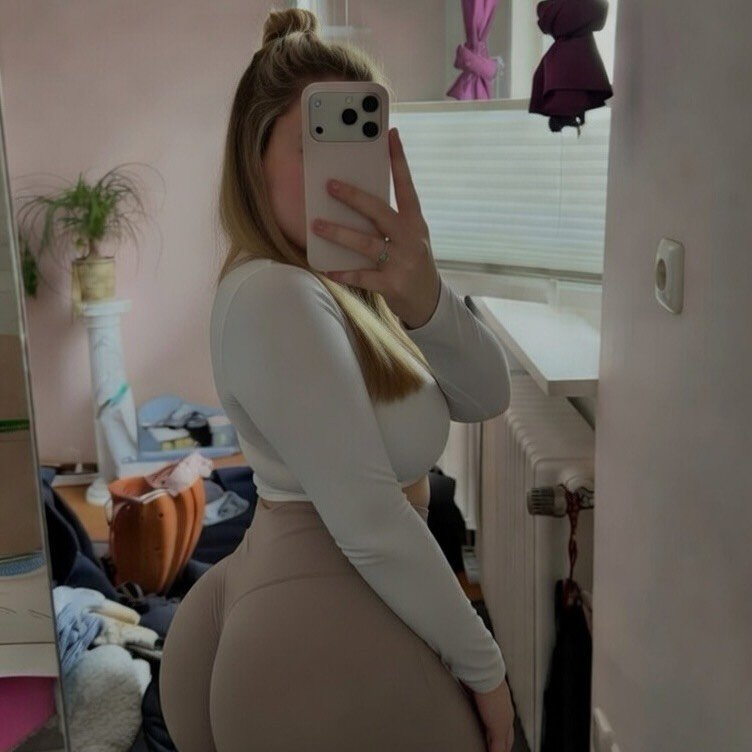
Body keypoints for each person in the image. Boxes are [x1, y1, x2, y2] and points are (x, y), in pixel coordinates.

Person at [159, 7, 516, 752]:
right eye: (315, 145)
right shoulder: (274, 294)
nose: (348, 172)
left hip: (329, 616)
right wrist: (487, 670)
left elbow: (487, 395)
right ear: (254, 157)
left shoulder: (350, 288)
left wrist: (423, 295)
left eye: (365, 143)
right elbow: (370, 520)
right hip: (322, 636)